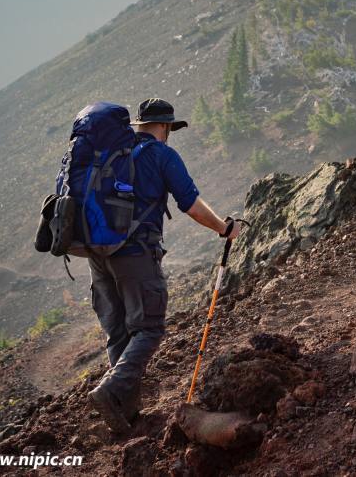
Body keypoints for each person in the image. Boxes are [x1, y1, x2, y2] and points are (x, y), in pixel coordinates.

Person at [86, 98, 241, 433]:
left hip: (97, 254)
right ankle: (111, 390)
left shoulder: (110, 153)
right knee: (149, 329)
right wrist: (224, 228)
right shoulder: (162, 155)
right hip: (136, 253)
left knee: (120, 332)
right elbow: (191, 205)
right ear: (167, 127)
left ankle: (125, 416)